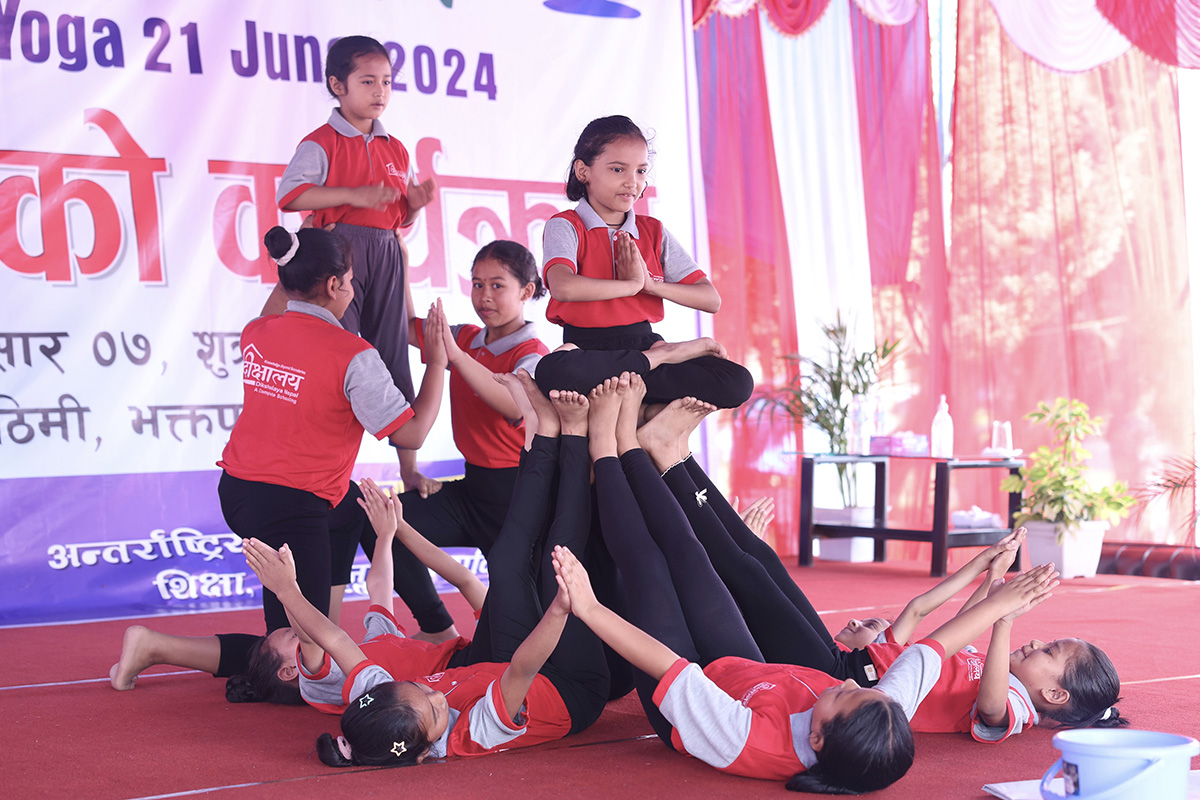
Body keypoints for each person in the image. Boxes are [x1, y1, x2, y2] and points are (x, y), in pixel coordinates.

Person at [549, 372, 1060, 792]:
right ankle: (634, 449)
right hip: (745, 669)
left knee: (648, 567)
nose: (846, 682)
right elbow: (934, 646)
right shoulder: (881, 710)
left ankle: (605, 447)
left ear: (816, 738)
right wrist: (999, 602)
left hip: (694, 698)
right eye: (866, 692)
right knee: (691, 555)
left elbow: (670, 664)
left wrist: (591, 608)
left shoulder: (744, 738)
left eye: (841, 697)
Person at [243, 375, 608, 765]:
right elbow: (523, 668)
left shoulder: (380, 696)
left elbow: (337, 636)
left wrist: (388, 536)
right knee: (553, 568)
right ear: (424, 752)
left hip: (490, 663)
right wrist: (562, 608)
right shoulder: (472, 731)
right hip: (571, 687)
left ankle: (545, 438)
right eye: (435, 712)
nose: (437, 696)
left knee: (507, 563)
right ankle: (574, 442)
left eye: (419, 691)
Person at [218, 225, 447, 636]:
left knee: (358, 506)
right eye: (352, 282)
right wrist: (436, 362)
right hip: (289, 508)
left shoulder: (259, 332)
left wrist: (295, 256)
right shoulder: (352, 354)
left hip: (238, 492)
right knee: (299, 654)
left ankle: (433, 625)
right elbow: (410, 435)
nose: (355, 292)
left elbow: (282, 297)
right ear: (335, 284)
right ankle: (159, 647)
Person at [265, 34, 436, 477]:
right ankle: (324, 470)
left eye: (387, 82)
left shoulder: (396, 148)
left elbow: (398, 223)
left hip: (386, 256)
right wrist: (352, 194)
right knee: (337, 356)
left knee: (393, 352)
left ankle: (409, 468)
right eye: (367, 81)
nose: (380, 92)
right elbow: (291, 196)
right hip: (339, 254)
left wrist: (414, 204)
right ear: (337, 85)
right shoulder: (321, 142)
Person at [362, 240, 550, 641]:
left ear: (527, 291)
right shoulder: (464, 336)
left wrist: (456, 357)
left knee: (521, 624)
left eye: (497, 285)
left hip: (518, 499)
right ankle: (437, 629)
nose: (484, 296)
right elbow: (407, 327)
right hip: (473, 491)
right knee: (381, 522)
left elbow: (512, 406)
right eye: (477, 284)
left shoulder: (533, 353)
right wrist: (402, 264)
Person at [533, 115, 753, 410]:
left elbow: (710, 299)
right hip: (587, 350)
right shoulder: (566, 225)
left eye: (640, 171)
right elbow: (563, 287)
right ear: (583, 171)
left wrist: (649, 286)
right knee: (554, 372)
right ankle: (657, 365)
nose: (632, 182)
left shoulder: (653, 230)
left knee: (737, 381)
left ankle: (636, 378)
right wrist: (630, 285)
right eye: (617, 169)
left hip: (640, 346)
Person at [832, 530, 1127, 740]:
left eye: (1049, 651)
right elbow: (962, 625)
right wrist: (994, 577)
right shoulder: (994, 667)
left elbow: (991, 708)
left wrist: (1004, 622)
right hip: (859, 663)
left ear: (1053, 694)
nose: (1037, 643)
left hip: (856, 684)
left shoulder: (1020, 707)